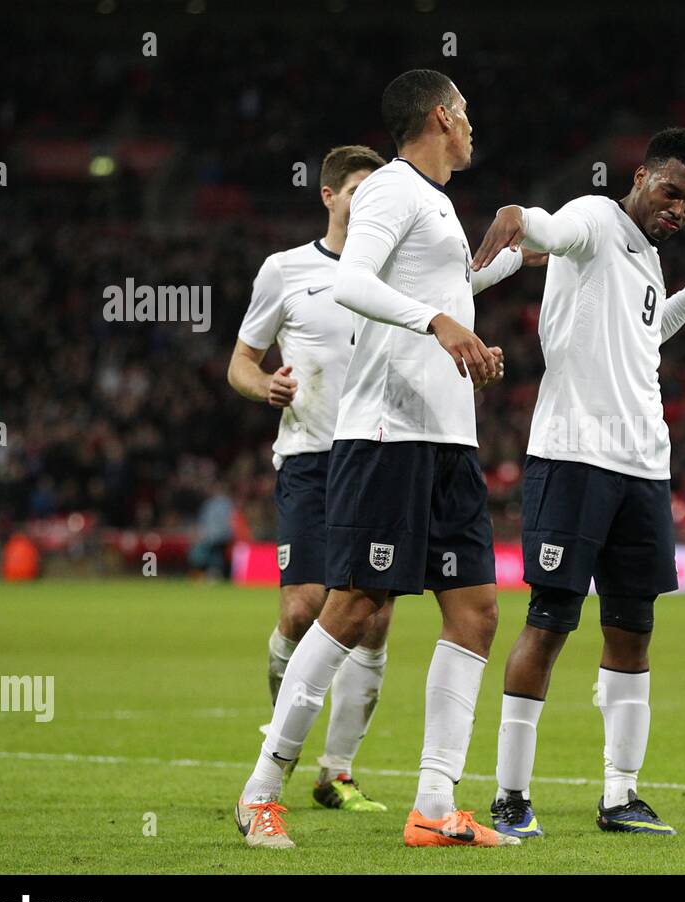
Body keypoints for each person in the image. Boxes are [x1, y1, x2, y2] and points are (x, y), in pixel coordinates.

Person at [233, 70, 534, 848]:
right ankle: (263, 788)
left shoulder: (435, 203)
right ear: (440, 115)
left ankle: (435, 804)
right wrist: (439, 321)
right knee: (354, 607)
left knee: (475, 611)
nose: (473, 124)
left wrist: (506, 264)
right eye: (465, 111)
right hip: (385, 436)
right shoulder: (393, 190)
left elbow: (448, 289)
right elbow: (354, 282)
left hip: (447, 439)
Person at [470, 128, 685, 837]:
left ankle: (620, 794)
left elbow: (646, 336)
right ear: (642, 175)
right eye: (670, 190)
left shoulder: (646, 257)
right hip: (574, 456)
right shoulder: (594, 220)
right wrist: (521, 214)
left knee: (633, 631)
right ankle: (510, 797)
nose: (678, 208)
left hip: (643, 465)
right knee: (550, 621)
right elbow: (552, 228)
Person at [228, 145, 393, 813]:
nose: (370, 200)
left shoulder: (393, 270)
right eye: (359, 189)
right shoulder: (286, 270)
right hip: (309, 458)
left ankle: (339, 771)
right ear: (328, 196)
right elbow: (240, 359)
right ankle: (283, 746)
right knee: (301, 608)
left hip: (379, 457)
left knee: (373, 619)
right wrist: (265, 384)